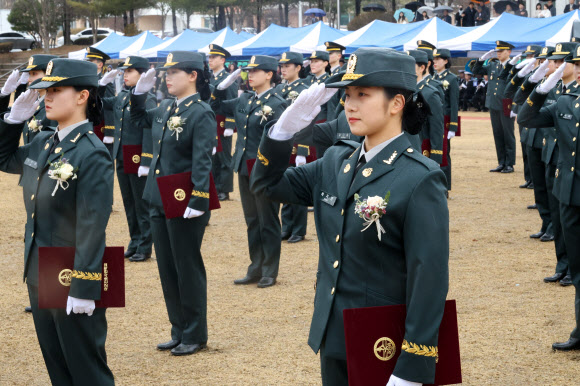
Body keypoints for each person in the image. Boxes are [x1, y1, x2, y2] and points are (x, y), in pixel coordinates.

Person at [249, 48, 449, 386]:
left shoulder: (420, 178)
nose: (349, 105)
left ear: (397, 103)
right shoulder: (335, 162)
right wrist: (281, 133)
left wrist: (413, 365)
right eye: (347, 95)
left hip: (384, 341)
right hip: (335, 331)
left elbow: (428, 276)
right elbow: (266, 185)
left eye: (363, 95)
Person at [0, 58, 114, 384]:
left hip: (70, 271)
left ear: (82, 96)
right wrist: (13, 119)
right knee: (58, 366)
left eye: (56, 89)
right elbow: (4, 159)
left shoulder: (91, 153)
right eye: (44, 91)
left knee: (86, 369)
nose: (46, 97)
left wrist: (84, 285)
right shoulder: (45, 142)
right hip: (40, 266)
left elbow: (93, 225)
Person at [129, 51, 216, 355]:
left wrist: (199, 196)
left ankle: (195, 333)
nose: (167, 77)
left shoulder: (200, 111)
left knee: (186, 266)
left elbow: (203, 158)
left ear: (193, 75)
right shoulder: (166, 106)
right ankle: (178, 329)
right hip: (158, 196)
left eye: (174, 72)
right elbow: (137, 117)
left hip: (184, 200)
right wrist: (138, 93)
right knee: (167, 267)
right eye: (165, 73)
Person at [518, 43, 580, 352]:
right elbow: (526, 117)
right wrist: (543, 86)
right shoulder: (565, 103)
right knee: (578, 270)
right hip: (569, 193)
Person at [213, 55, 288, 288]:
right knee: (252, 220)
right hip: (244, 166)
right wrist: (219, 88)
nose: (250, 75)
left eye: (256, 71)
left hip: (264, 169)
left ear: (269, 74)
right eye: (249, 71)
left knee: (268, 220)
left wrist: (274, 169)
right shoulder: (244, 99)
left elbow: (283, 140)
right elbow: (215, 107)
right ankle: (255, 266)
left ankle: (269, 269)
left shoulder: (277, 103)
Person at [513, 45, 571, 283]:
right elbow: (519, 102)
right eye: (552, 61)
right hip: (552, 154)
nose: (553, 65)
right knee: (558, 218)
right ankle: (562, 264)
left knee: (569, 221)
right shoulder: (553, 86)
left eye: (559, 62)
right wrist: (538, 81)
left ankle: (571, 267)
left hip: (568, 159)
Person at [99, 56, 157, 263]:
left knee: (141, 204)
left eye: (130, 71)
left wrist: (146, 161)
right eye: (124, 71)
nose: (125, 75)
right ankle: (134, 241)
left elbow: (149, 132)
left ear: (142, 75)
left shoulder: (147, 99)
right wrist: (101, 85)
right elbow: (102, 104)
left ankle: (145, 245)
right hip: (122, 155)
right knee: (129, 202)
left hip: (137, 156)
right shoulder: (123, 96)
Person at [277, 51, 311, 244]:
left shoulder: (306, 88)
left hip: (298, 144)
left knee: (297, 185)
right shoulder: (280, 88)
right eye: (282, 66)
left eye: (288, 65)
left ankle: (298, 229)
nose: (283, 69)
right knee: (283, 184)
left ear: (298, 67)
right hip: (282, 144)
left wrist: (302, 149)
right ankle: (287, 225)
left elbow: (308, 121)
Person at [472, 41, 517, 173]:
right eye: (497, 51)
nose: (498, 53)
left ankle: (510, 163)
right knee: (497, 133)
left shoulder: (512, 66)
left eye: (501, 51)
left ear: (508, 52)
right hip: (493, 103)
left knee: (508, 134)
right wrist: (481, 60)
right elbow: (476, 71)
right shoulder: (493, 65)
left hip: (506, 103)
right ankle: (501, 162)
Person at [208, 44, 237, 202]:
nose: (210, 60)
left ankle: (224, 189)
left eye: (214, 57)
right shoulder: (211, 78)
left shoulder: (228, 78)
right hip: (211, 121)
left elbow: (232, 102)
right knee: (212, 156)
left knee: (223, 156)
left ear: (223, 60)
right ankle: (216, 185)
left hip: (221, 122)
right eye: (210, 57)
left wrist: (230, 124)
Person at [408, 49, 445, 166]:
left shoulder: (430, 94)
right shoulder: (403, 92)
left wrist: (435, 158)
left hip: (421, 150)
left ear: (422, 68)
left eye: (411, 65)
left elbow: (436, 129)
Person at [433, 48, 459, 191]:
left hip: (445, 120)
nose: (435, 62)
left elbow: (454, 104)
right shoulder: (433, 77)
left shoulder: (451, 78)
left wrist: (453, 127)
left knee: (444, 153)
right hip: (434, 120)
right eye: (434, 59)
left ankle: (445, 185)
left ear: (446, 61)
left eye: (438, 59)